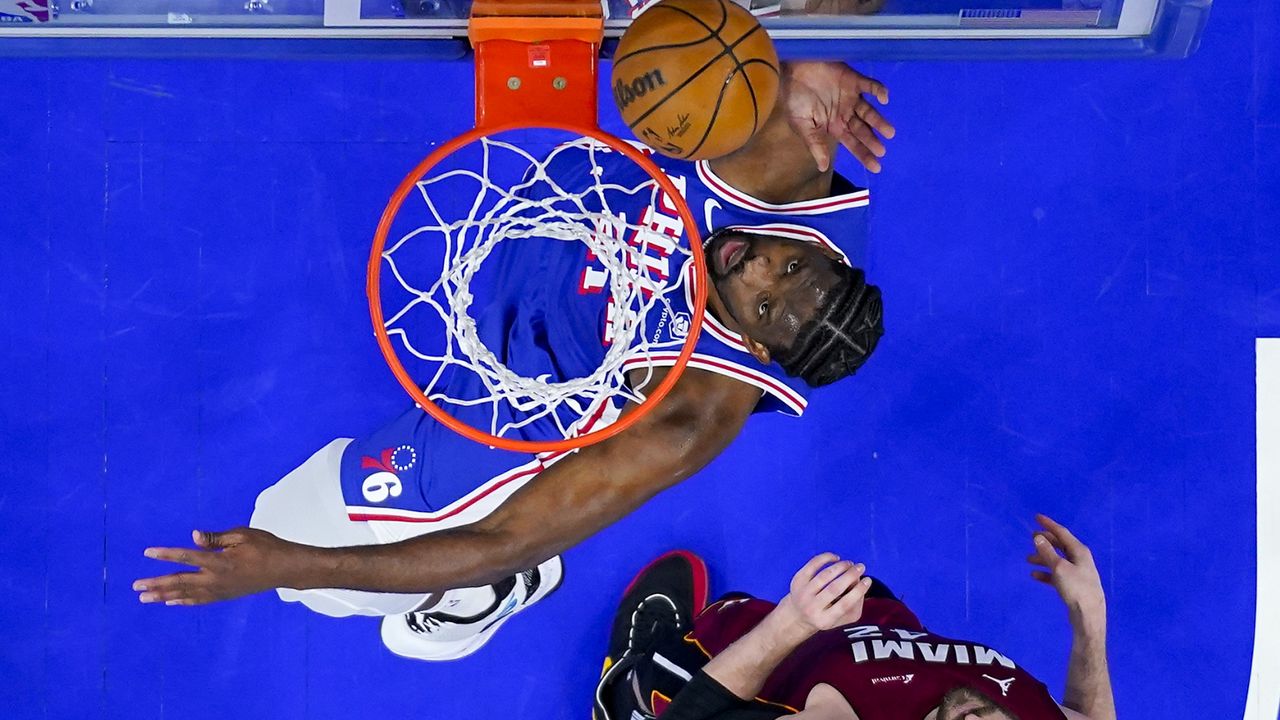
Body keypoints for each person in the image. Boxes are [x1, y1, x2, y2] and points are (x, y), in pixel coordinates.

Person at [131, 61, 895, 662]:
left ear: (758, 345)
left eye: (762, 306)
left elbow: (508, 537)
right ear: (821, 250)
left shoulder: (692, 414)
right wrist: (794, 71)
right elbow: (748, 56)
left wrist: (290, 566)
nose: (752, 267)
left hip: (523, 395)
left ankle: (482, 599)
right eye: (792, 269)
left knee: (289, 531)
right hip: (538, 239)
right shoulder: (787, 171)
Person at [597, 515, 1115, 720]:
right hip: (884, 636)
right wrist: (1089, 624)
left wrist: (792, 622)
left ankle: (631, 694)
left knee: (679, 673)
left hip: (775, 672)